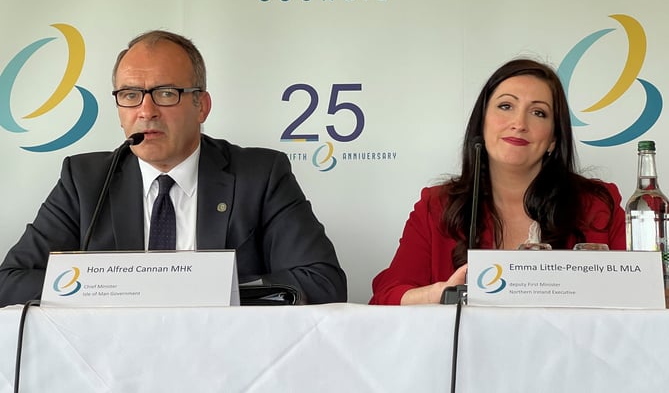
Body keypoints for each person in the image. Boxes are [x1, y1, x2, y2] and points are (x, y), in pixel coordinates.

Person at [0, 30, 347, 307]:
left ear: (202, 106)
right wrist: (116, 285)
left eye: (166, 93)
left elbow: (322, 281)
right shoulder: (86, 180)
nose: (146, 110)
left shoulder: (260, 174)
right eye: (130, 94)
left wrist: (200, 286)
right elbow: (10, 281)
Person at [370, 58, 626, 305]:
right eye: (506, 106)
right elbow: (387, 296)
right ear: (481, 123)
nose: (519, 123)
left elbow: (647, 290)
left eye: (538, 112)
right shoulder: (437, 207)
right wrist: (441, 294)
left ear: (553, 140)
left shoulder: (597, 204)